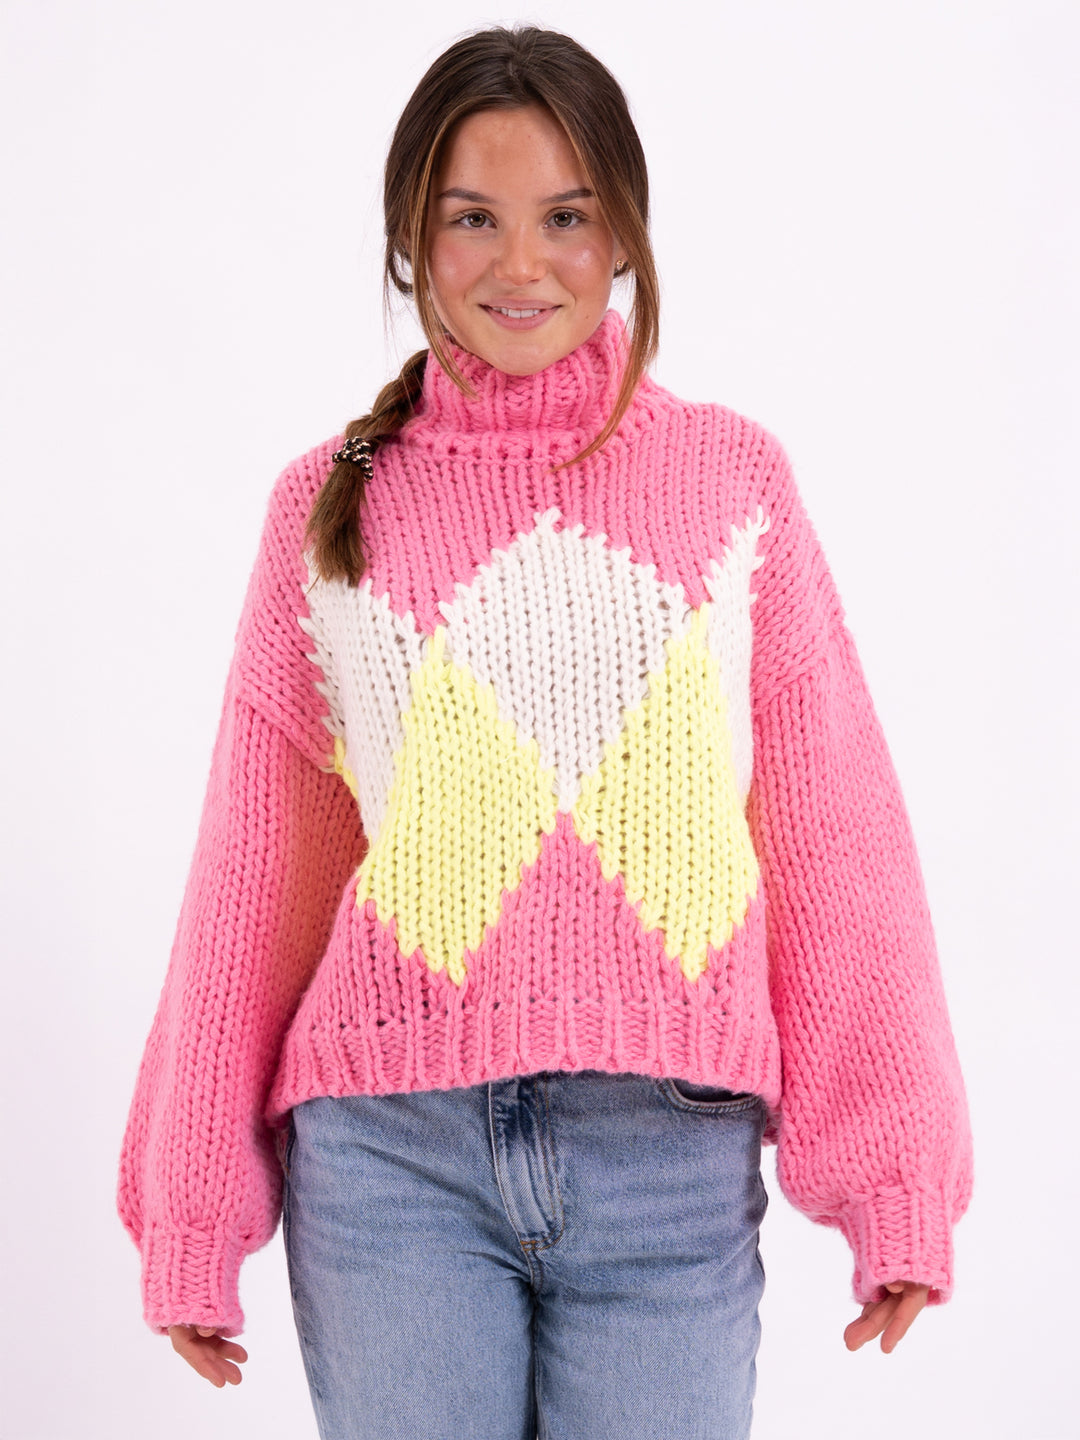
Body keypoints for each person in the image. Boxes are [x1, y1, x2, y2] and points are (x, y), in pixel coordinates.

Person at [116, 23, 974, 1440]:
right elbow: (255, 875)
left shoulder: (731, 485)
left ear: (624, 232)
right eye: (474, 218)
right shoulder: (326, 509)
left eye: (566, 218)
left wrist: (893, 1173)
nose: (522, 263)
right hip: (389, 1156)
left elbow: (833, 831)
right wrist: (192, 1207)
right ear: (412, 240)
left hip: (667, 1159)